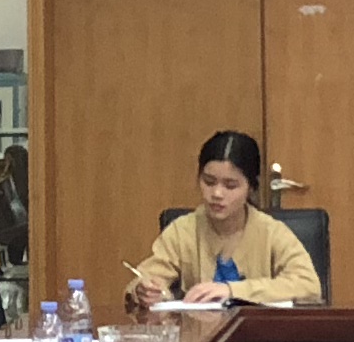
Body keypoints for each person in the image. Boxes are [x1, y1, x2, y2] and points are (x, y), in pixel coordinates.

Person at [126, 131, 325, 310]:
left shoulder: (271, 232)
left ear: (251, 187)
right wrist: (145, 291)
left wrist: (232, 290)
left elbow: (308, 286)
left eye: (230, 185)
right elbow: (146, 279)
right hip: (198, 335)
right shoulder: (182, 231)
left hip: (259, 335)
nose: (217, 194)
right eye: (209, 182)